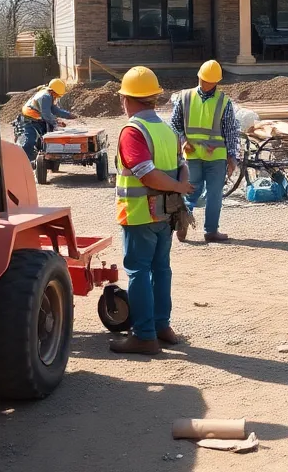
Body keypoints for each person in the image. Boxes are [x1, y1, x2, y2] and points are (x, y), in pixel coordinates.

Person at [110, 65, 194, 356]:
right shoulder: (167, 130)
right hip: (165, 215)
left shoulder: (133, 131)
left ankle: (145, 336)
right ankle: (162, 327)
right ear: (153, 98)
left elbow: (146, 173)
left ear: (128, 99)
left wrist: (179, 188)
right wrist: (179, 187)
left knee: (138, 272)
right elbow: (183, 166)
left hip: (139, 215)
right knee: (161, 270)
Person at [169, 59, 240, 243]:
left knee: (214, 195)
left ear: (216, 82)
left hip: (215, 156)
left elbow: (231, 131)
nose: (204, 83)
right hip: (193, 155)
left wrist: (232, 157)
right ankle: (183, 224)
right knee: (190, 192)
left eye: (208, 81)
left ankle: (211, 231)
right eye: (202, 79)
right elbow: (174, 124)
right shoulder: (184, 97)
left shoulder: (224, 102)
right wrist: (183, 140)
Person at [19, 78, 75, 162]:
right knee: (29, 142)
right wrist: (56, 122)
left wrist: (68, 115)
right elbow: (46, 114)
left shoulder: (48, 95)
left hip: (36, 119)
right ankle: (26, 161)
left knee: (46, 137)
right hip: (30, 120)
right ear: (53, 92)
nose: (57, 97)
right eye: (57, 95)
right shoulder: (46, 97)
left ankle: (44, 160)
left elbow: (54, 110)